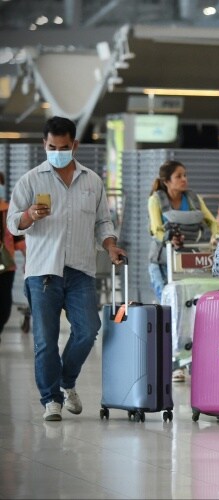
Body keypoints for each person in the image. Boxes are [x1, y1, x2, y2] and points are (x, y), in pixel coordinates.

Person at [7, 116, 127, 422]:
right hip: (42, 271)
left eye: (63, 146)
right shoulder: (31, 180)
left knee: (88, 330)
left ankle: (66, 381)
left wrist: (111, 246)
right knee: (45, 340)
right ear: (43, 144)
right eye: (51, 146)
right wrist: (29, 215)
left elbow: (103, 223)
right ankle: (51, 399)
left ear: (74, 145)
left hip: (80, 269)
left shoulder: (91, 181)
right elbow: (12, 224)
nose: (57, 151)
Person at [147, 160, 219, 382]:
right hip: (161, 262)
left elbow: (212, 222)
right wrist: (169, 237)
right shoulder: (156, 200)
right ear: (167, 181)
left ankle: (188, 359)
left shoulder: (194, 199)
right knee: (172, 313)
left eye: (185, 175)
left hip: (186, 262)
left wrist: (216, 235)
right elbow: (156, 230)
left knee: (188, 313)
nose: (184, 179)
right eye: (179, 176)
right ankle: (173, 363)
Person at [0, 172, 26, 343]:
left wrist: (29, 259)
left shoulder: (8, 210)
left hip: (5, 266)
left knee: (3, 307)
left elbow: (18, 239)